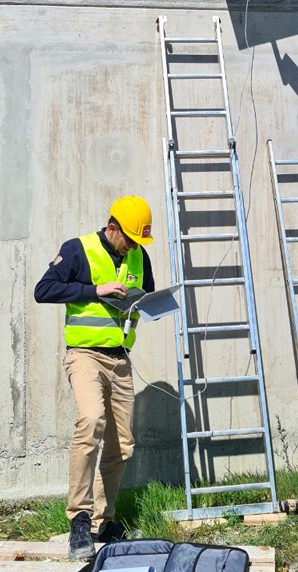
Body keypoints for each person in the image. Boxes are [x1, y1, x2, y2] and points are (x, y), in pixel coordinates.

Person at [34, 196, 155, 560]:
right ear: (113, 227)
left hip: (120, 360)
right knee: (90, 421)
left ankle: (104, 521)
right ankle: (79, 520)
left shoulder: (138, 256)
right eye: (129, 239)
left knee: (123, 444)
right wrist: (94, 290)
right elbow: (44, 290)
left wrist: (150, 303)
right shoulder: (78, 250)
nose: (133, 246)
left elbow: (144, 295)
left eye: (138, 241)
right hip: (85, 356)